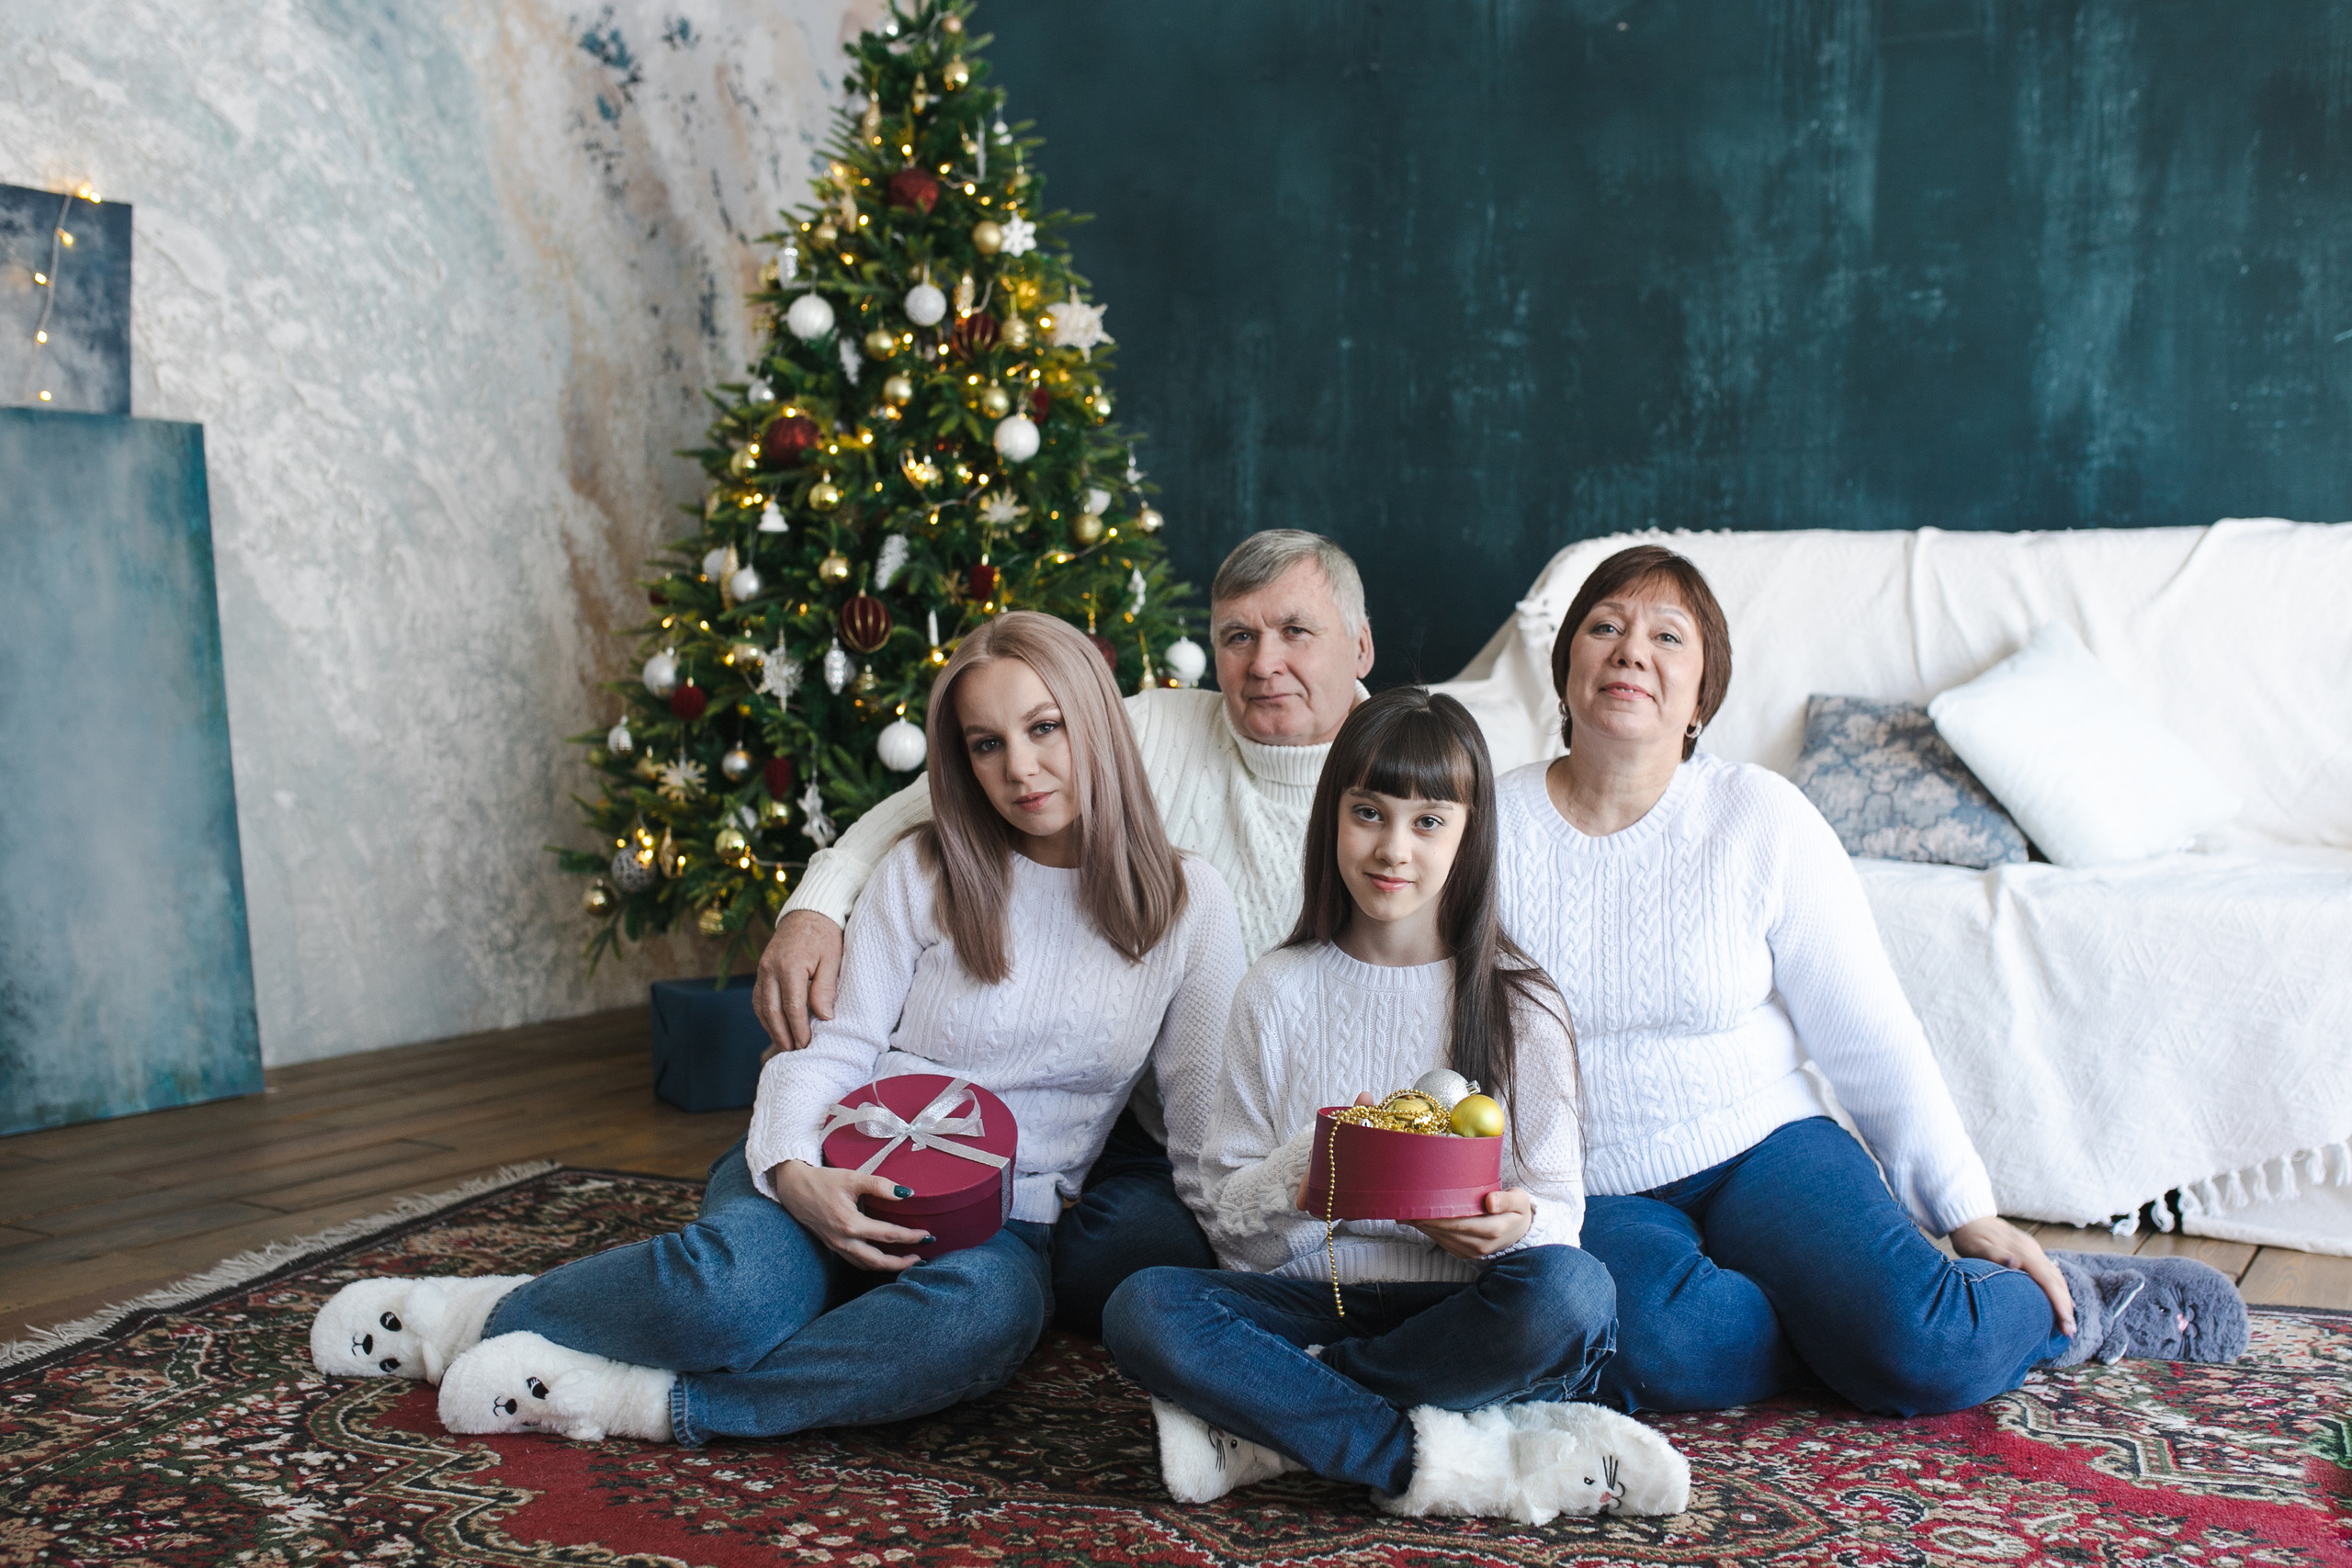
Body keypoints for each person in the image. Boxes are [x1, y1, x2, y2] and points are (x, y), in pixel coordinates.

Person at [341, 613, 1247, 1445]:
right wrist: (793, 1171)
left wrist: (1273, 1286)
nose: (1021, 768)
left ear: (1094, 721)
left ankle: (651, 1402)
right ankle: (472, 1317)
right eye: (986, 744)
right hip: (827, 1159)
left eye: (1044, 727)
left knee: (982, 1325)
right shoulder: (922, 872)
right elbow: (834, 1049)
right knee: (730, 1295)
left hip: (1001, 1227)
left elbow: (1206, 1126)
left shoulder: (1187, 903)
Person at [1495, 544, 2249, 1416]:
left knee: (1924, 1347)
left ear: (1701, 698)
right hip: (1595, 1181)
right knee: (1664, 1355)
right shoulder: (1489, 826)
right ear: (1567, 670)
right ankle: (1848, 1328)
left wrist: (1966, 1209)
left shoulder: (1760, 816)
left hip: (1764, 1148)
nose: (1632, 650)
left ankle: (2065, 1305)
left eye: (1669, 636)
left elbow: (1867, 1034)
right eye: (1605, 627)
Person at [753, 530, 1376, 1337]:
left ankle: (973, 1278)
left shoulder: (1407, 772)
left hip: (1281, 1118)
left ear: (1360, 644)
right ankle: (958, 1260)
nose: (1263, 662)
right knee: (1122, 1255)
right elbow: (941, 794)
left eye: (1296, 630)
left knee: (1146, 1262)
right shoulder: (1143, 726)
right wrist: (817, 901)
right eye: (1237, 636)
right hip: (1136, 1116)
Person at [1102, 689, 1688, 1521]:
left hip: (1461, 1307)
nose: (1392, 848)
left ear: (1470, 833)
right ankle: (1438, 1453)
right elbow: (1230, 1223)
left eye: (1428, 821)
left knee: (1573, 1293)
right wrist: (1315, 1168)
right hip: (1314, 1296)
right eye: (1369, 812)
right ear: (1331, 817)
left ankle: (1279, 1420)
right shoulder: (1275, 990)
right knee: (1144, 1307)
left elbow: (1560, 1213)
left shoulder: (1520, 1002)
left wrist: (1513, 1228)